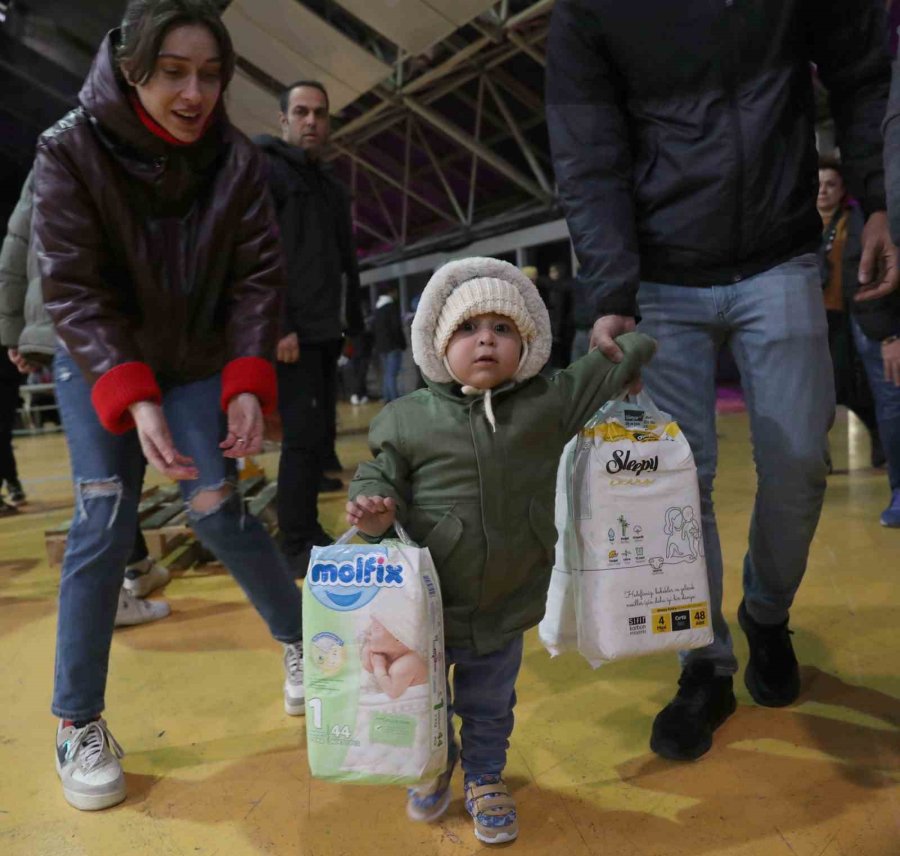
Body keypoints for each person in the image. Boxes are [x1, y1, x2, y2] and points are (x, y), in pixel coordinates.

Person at [546, 0, 897, 762]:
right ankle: (702, 663)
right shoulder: (588, 13)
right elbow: (587, 154)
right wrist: (610, 292)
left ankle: (767, 614)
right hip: (659, 278)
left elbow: (864, 74)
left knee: (802, 461)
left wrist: (880, 202)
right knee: (677, 483)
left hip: (780, 254)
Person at [31, 0, 305, 812]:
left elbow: (260, 275)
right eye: (175, 74)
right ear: (133, 69)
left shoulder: (237, 159)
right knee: (104, 515)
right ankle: (77, 721)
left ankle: (304, 644)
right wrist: (133, 399)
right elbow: (72, 289)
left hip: (195, 357)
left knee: (218, 509)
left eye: (211, 75)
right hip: (101, 358)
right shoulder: (68, 149)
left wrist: (248, 381)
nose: (195, 94)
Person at [347, 257, 655, 845]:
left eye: (503, 328)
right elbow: (376, 477)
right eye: (467, 328)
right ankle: (433, 764)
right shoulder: (406, 420)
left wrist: (624, 346)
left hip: (507, 601)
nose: (485, 338)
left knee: (490, 704)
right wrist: (373, 509)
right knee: (424, 699)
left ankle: (485, 776)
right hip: (426, 613)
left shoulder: (549, 403)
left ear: (528, 344)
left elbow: (619, 357)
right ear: (438, 345)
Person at [0, 168, 171, 621]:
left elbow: (15, 249)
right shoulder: (80, 152)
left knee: (110, 476)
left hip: (70, 332)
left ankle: (133, 570)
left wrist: (18, 332)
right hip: (98, 332)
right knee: (102, 484)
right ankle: (111, 596)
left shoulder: (51, 155)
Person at [254, 80, 364, 575]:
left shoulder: (330, 186)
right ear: (283, 120)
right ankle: (296, 541)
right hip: (293, 334)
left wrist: (354, 324)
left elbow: (345, 263)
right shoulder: (269, 172)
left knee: (317, 437)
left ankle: (305, 529)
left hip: (326, 329)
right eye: (301, 112)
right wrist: (281, 325)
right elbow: (264, 255)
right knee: (300, 436)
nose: (312, 121)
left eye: (320, 113)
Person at [817, 157, 884, 468]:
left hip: (844, 314)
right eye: (818, 184)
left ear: (842, 188)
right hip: (807, 317)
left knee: (845, 385)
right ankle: (818, 458)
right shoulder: (800, 223)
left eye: (831, 184)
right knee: (810, 393)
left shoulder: (854, 219)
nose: (823, 191)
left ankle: (880, 438)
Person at [372, 287, 406, 402]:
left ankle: (386, 397)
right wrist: (402, 343)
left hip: (382, 347)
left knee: (387, 374)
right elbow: (396, 327)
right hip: (393, 345)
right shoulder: (391, 308)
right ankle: (394, 399)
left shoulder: (377, 309)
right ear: (391, 292)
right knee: (392, 374)